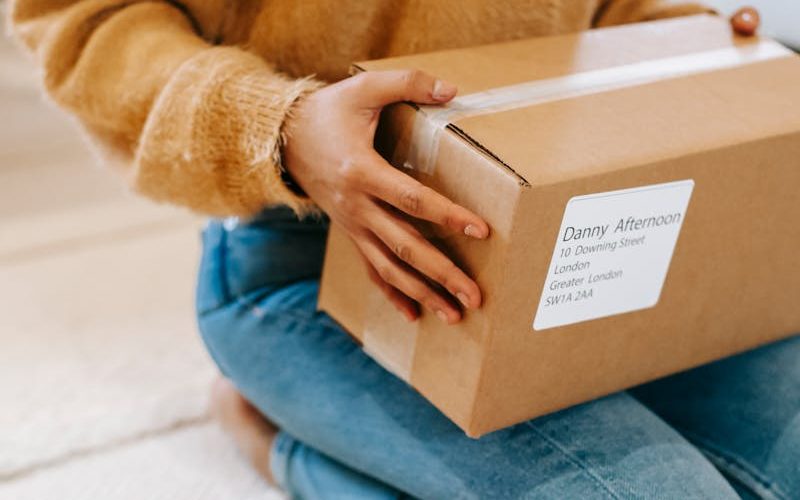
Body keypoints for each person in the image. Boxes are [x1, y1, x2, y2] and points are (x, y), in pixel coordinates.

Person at [8, 1, 797, 498]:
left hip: (555, 234)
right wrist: (278, 127)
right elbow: (82, 21)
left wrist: (676, 39)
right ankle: (277, 445)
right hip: (304, 260)